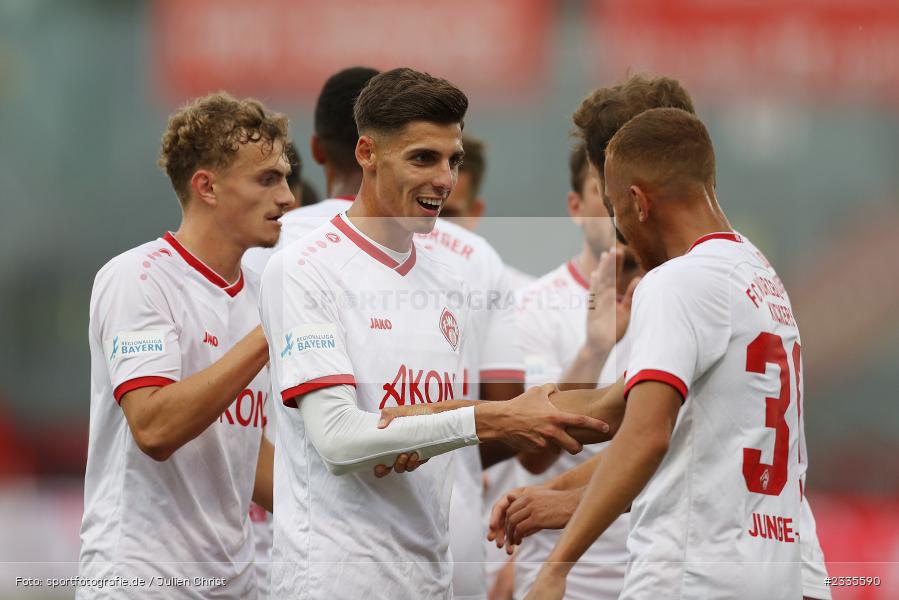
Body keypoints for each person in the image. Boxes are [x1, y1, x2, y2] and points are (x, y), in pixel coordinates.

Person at [259, 67, 614, 599]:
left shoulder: (452, 275)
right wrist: (496, 417)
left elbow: (410, 431)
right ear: (366, 154)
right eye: (423, 158)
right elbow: (337, 440)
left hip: (430, 580)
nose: (445, 180)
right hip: (335, 581)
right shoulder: (303, 268)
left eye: (453, 161)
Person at [523, 107, 806, 599]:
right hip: (767, 574)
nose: (621, 231)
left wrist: (556, 566)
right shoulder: (756, 273)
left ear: (637, 201)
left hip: (689, 576)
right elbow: (619, 408)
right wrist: (479, 419)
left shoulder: (676, 282)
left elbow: (645, 435)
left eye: (615, 211)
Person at [78, 92, 291, 599]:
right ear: (207, 187)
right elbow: (154, 427)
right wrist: (271, 335)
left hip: (236, 583)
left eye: (284, 177)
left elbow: (241, 451)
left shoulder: (262, 295)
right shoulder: (139, 277)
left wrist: (345, 506)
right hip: (140, 581)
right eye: (267, 179)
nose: (287, 198)